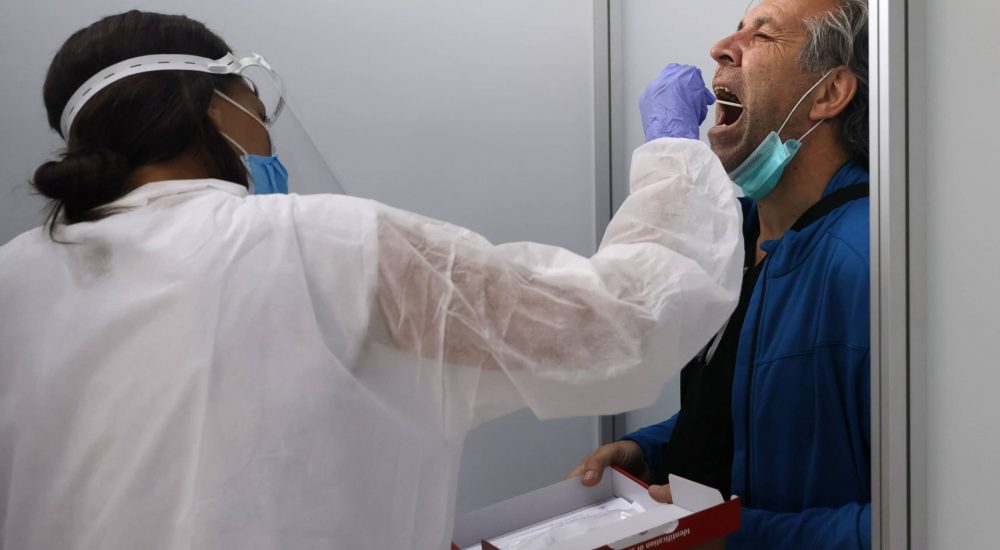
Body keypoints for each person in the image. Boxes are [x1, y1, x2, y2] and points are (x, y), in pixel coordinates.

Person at [0, 11, 745, 550]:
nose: (268, 141)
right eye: (258, 112)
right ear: (214, 110)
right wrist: (675, 155)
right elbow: (615, 325)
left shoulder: (15, 277)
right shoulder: (324, 246)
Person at [571, 0, 871, 548]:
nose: (720, 49)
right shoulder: (730, 242)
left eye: (763, 35)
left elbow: (933, 515)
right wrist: (655, 451)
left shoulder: (866, 261)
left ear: (828, 93)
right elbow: (758, 412)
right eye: (737, 29)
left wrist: (734, 537)